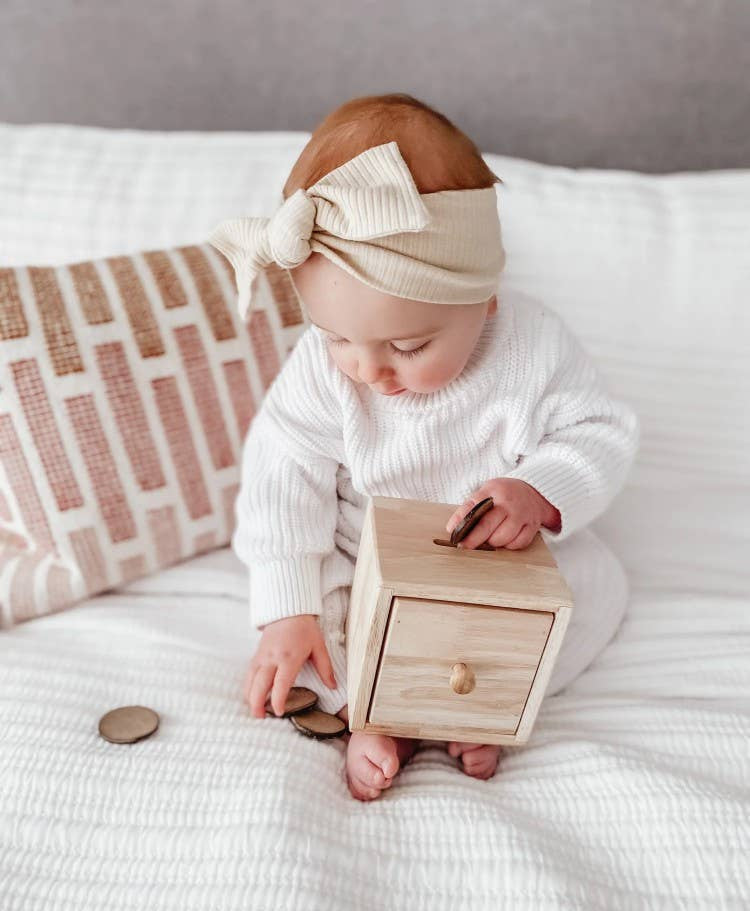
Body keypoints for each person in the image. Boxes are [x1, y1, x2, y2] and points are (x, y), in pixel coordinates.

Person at [208, 93, 640, 801]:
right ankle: (384, 713)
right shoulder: (324, 372)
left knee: (597, 589)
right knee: (317, 617)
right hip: (369, 552)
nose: (367, 369)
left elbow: (600, 431)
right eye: (338, 336)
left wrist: (541, 490)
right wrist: (289, 607)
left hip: (496, 561)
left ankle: (485, 702)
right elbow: (283, 475)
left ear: (485, 299)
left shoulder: (531, 348)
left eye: (407, 345)